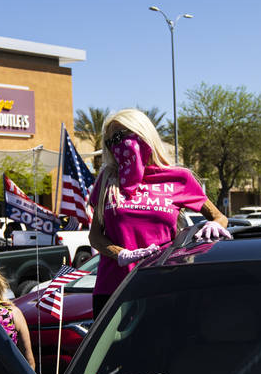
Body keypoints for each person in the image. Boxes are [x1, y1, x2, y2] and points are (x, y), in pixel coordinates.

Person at [87, 108, 232, 313]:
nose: (115, 146)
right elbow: (95, 236)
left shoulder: (179, 178)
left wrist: (214, 224)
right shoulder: (107, 180)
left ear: (141, 132)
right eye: (110, 142)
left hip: (163, 283)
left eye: (119, 136)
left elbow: (219, 216)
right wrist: (121, 254)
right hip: (113, 289)